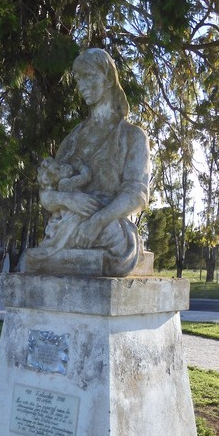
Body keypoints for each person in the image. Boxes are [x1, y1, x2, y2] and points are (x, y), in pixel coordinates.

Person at [31, 48, 150, 276]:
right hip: (67, 226)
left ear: (108, 80)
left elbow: (137, 194)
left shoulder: (132, 136)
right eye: (78, 79)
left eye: (89, 77)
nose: (82, 85)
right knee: (42, 255)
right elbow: (47, 195)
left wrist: (97, 221)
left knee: (110, 240)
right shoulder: (73, 139)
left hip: (107, 225)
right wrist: (69, 199)